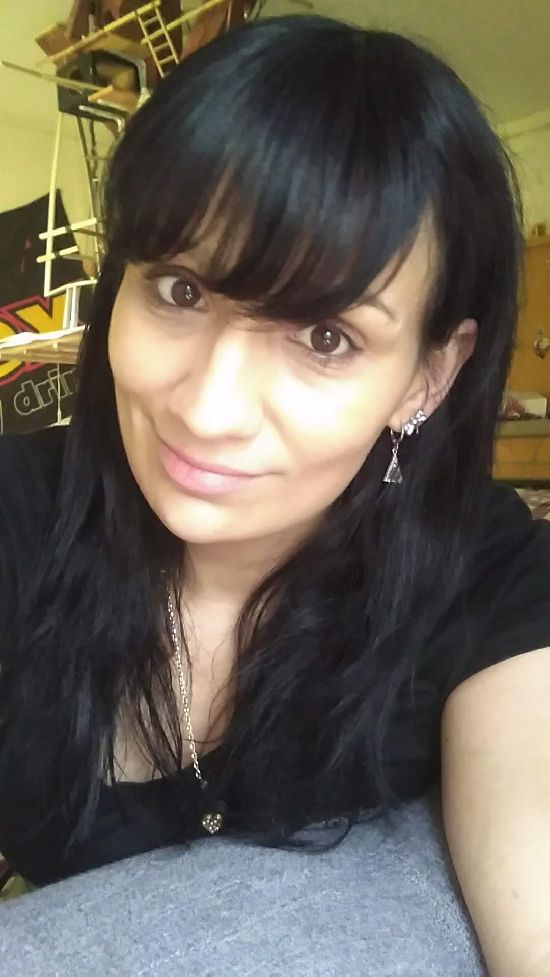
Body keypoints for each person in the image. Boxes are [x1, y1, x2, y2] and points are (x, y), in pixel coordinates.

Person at [1, 13, 549, 972]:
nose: (208, 409)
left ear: (426, 378)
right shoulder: (19, 516)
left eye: (326, 337)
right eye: (180, 289)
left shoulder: (490, 580)